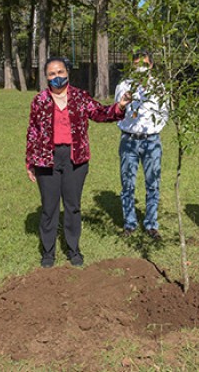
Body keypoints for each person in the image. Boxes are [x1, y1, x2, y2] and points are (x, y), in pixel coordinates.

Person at [26, 57, 132, 268]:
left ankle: (73, 249)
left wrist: (119, 106)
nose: (57, 77)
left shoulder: (80, 97)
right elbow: (33, 132)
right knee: (49, 207)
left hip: (75, 159)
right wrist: (30, 161)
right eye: (52, 74)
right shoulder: (40, 101)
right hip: (47, 159)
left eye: (60, 72)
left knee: (73, 206)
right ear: (46, 77)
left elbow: (100, 113)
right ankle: (48, 252)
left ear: (68, 72)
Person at [114, 50, 169, 240]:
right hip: (129, 140)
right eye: (136, 64)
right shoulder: (123, 86)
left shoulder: (159, 87)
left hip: (151, 141)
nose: (140, 68)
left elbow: (165, 112)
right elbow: (116, 111)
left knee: (152, 183)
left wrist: (152, 130)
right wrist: (124, 107)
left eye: (144, 64)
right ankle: (129, 223)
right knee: (127, 183)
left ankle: (151, 224)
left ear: (151, 65)